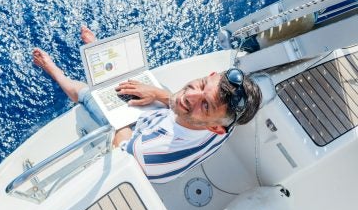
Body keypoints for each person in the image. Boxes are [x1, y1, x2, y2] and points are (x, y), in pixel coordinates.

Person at [33, 26, 262, 183]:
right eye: (202, 83)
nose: (191, 95)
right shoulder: (228, 121)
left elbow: (120, 150)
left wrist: (120, 119)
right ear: (210, 74)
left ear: (214, 128)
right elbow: (186, 102)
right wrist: (157, 94)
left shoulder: (148, 152)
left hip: (136, 137)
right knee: (145, 85)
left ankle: (55, 70)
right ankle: (103, 60)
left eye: (205, 105)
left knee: (89, 94)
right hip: (168, 120)